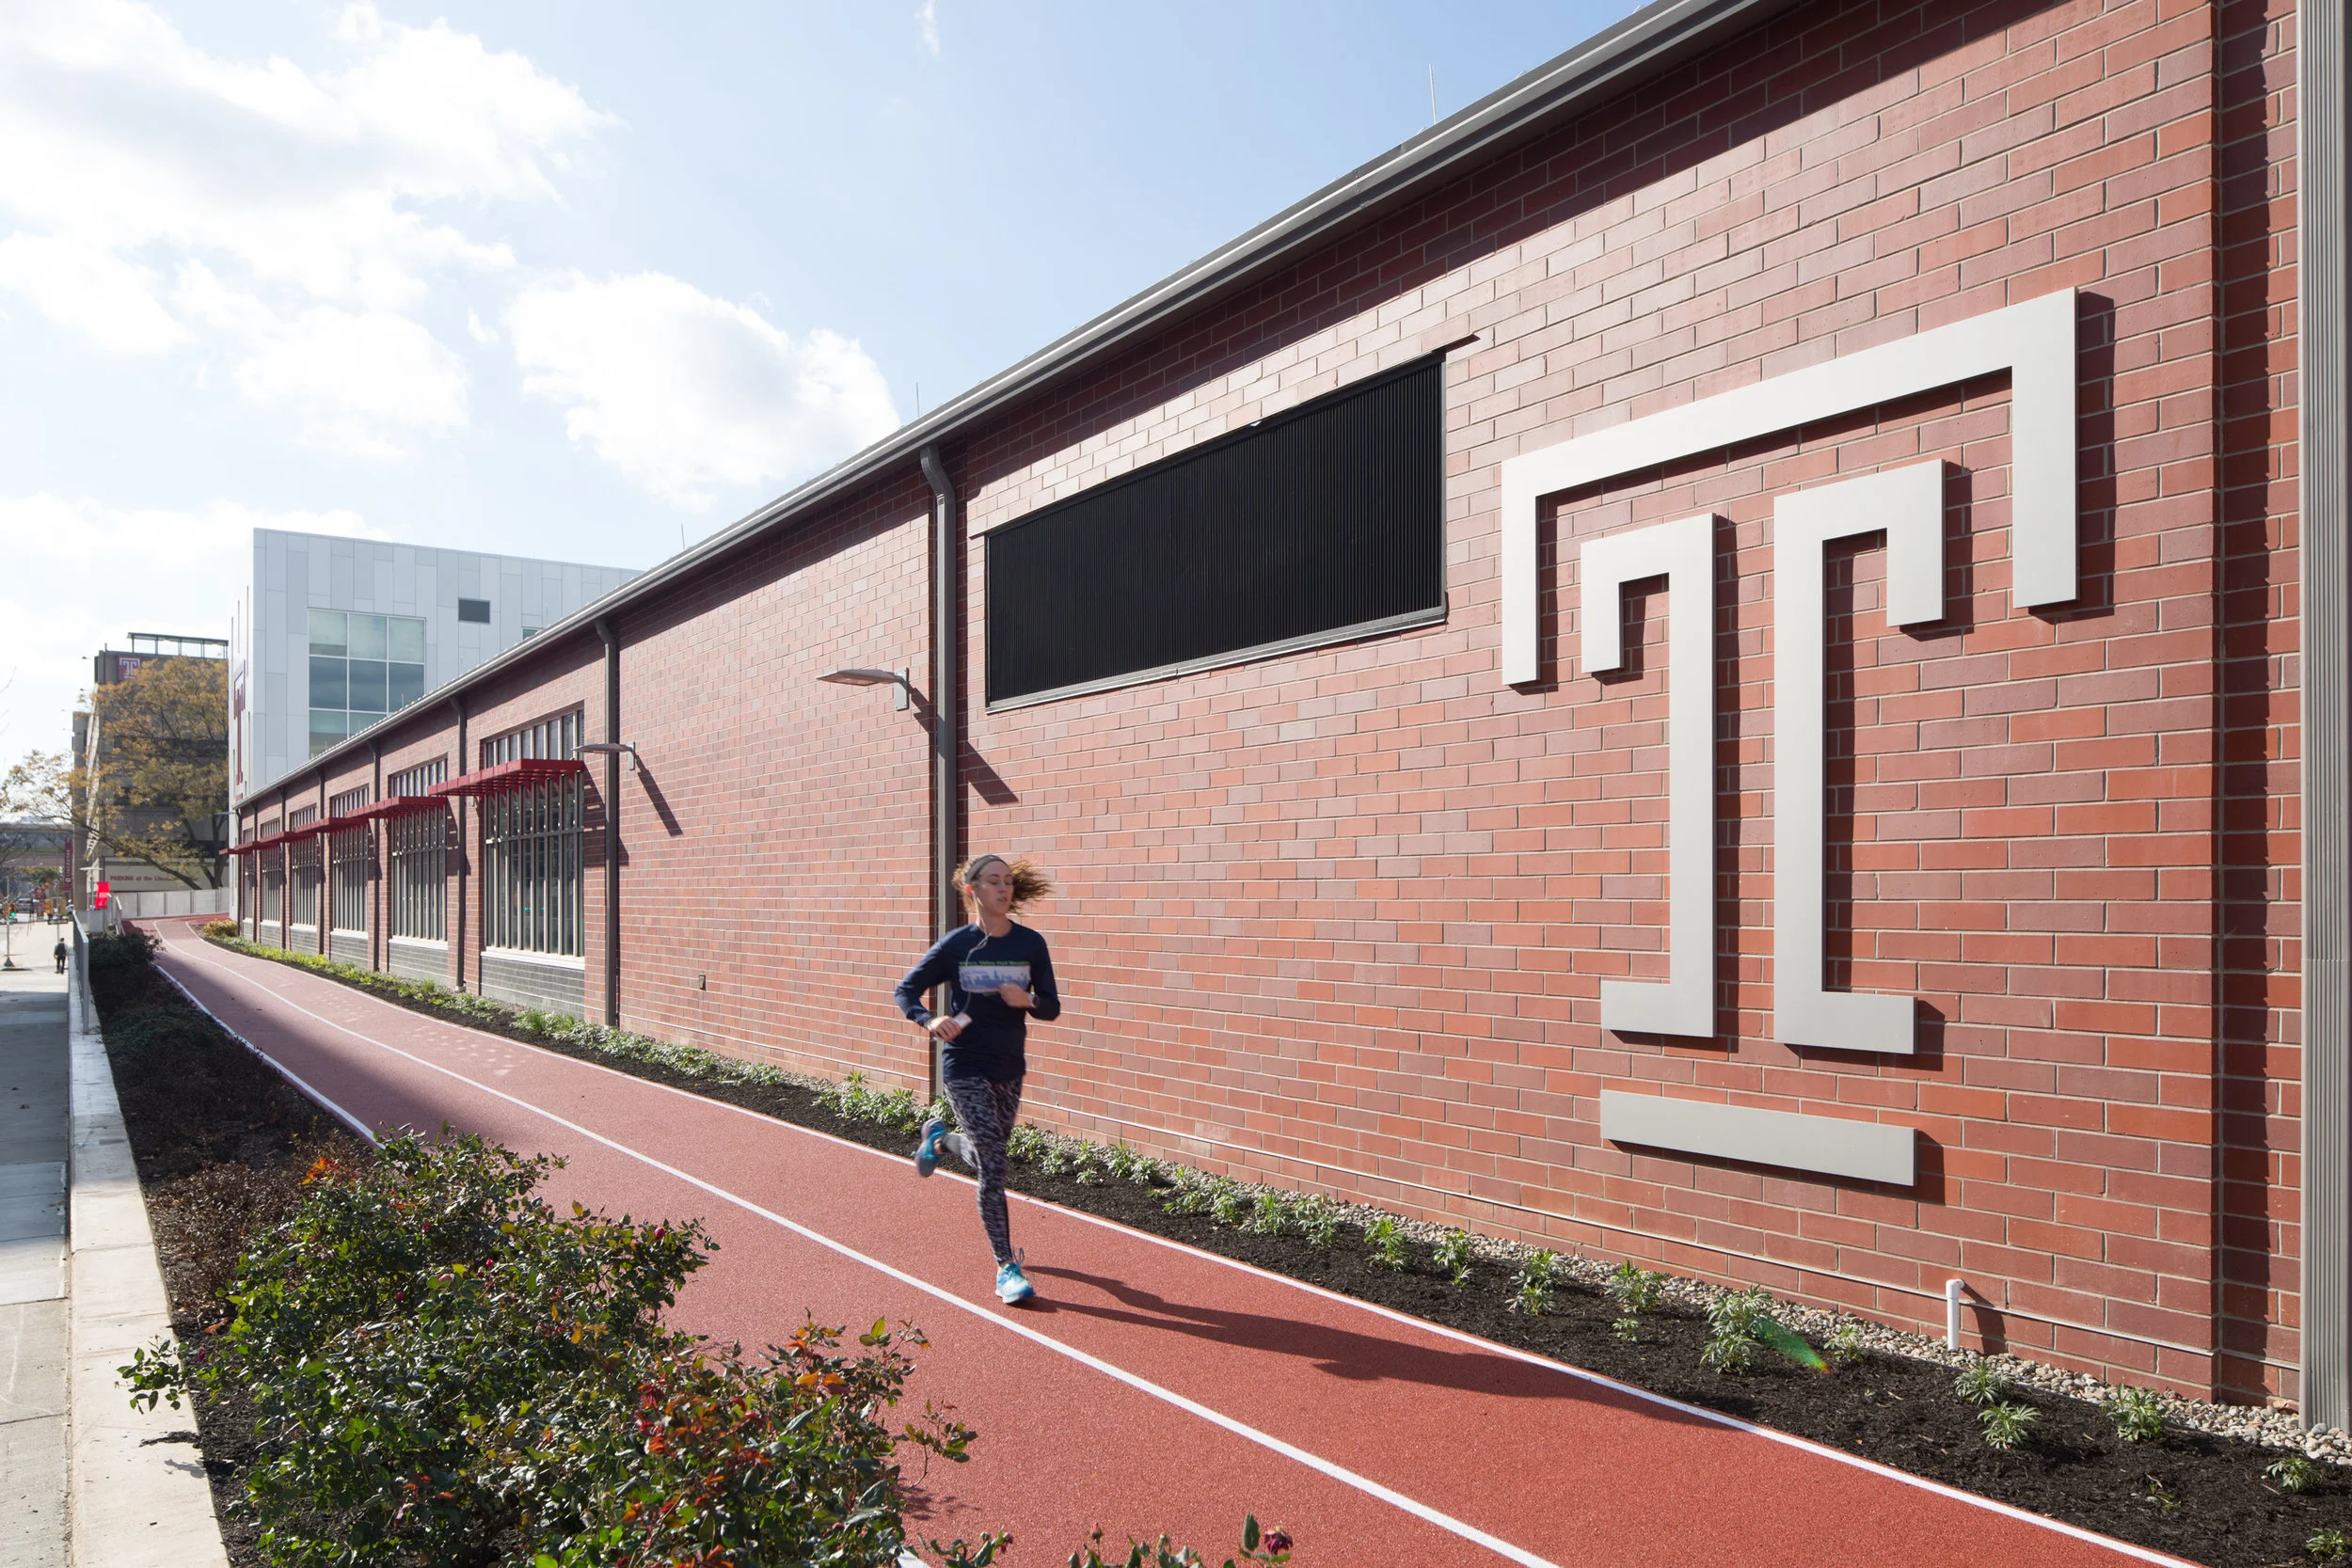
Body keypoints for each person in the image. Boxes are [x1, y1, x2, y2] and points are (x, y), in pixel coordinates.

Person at [893, 853, 1060, 1305]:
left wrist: (1024, 998)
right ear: (973, 891)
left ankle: (941, 1140)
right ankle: (1007, 1267)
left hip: (1009, 1066)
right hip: (963, 1064)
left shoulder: (1030, 944)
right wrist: (929, 1020)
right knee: (994, 1163)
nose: (1004, 888)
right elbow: (905, 990)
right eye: (993, 881)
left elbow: (1051, 1006)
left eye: (1007, 881)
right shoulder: (955, 946)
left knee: (990, 1155)